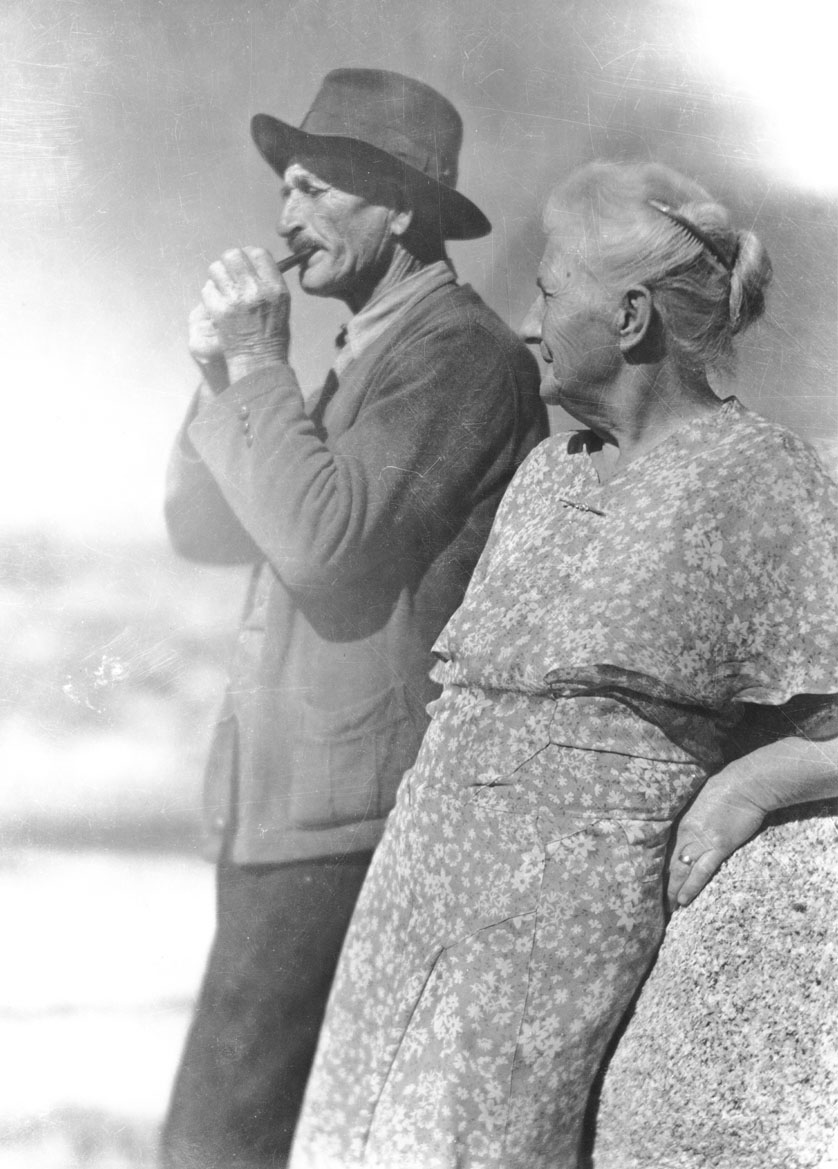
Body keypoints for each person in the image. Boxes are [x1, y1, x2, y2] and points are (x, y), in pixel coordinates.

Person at [289, 160, 838, 1169]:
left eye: (546, 291)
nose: (528, 323)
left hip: (548, 925)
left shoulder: (758, 474)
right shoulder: (549, 472)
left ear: (630, 319)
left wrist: (751, 784)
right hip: (409, 891)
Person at [160, 68, 547, 1169]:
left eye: (319, 187)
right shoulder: (353, 355)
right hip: (285, 804)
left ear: (406, 207)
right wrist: (214, 375)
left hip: (351, 815)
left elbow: (327, 551)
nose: (287, 217)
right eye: (286, 189)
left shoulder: (461, 355)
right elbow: (203, 529)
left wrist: (252, 364)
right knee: (235, 1129)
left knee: (217, 1138)